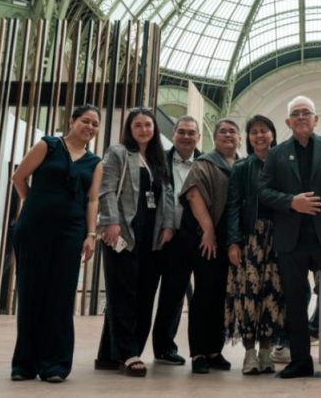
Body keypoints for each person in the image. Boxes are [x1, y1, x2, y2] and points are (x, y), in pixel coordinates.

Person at [259, 95, 321, 379]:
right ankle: (301, 360)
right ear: (288, 122)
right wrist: (292, 201)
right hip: (291, 240)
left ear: (316, 119)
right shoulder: (277, 154)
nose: (301, 117)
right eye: (296, 114)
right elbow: (264, 191)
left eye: (307, 113)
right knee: (294, 301)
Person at [10, 104, 103, 382]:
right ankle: (24, 364)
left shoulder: (95, 162)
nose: (90, 126)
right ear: (72, 121)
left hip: (71, 232)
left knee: (61, 298)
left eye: (95, 124)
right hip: (34, 229)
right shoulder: (47, 145)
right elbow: (18, 177)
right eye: (85, 120)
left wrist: (90, 234)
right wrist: (34, 204)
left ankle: (55, 365)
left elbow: (92, 200)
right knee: (30, 292)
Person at [96, 107, 176, 377]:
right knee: (122, 295)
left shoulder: (157, 158)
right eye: (138, 125)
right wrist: (111, 221)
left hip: (152, 235)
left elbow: (166, 194)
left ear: (154, 129)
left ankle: (114, 354)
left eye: (148, 125)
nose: (144, 129)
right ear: (130, 129)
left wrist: (167, 225)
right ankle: (128, 354)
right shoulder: (118, 152)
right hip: (124, 233)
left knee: (144, 295)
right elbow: (106, 188)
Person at [180, 118, 241, 374]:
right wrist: (208, 231)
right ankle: (198, 353)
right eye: (222, 131)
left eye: (232, 131)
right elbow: (193, 195)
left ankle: (215, 350)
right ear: (214, 138)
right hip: (207, 240)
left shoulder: (242, 165)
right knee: (205, 293)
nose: (228, 135)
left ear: (239, 137)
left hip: (231, 241)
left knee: (222, 296)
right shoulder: (204, 163)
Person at [225, 115, 284, 375]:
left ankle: (266, 351)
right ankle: (249, 353)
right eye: (254, 132)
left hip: (279, 237)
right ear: (248, 138)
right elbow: (234, 207)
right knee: (248, 294)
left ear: (273, 134)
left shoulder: (283, 164)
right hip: (250, 236)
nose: (260, 136)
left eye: (264, 131)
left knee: (274, 293)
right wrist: (234, 242)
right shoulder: (241, 167)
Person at [152, 116, 201, 365]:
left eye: (191, 133)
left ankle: (168, 347)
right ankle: (157, 347)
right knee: (158, 293)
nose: (186, 136)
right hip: (160, 234)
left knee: (176, 295)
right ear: (174, 135)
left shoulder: (205, 163)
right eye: (181, 132)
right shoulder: (158, 160)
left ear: (198, 137)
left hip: (192, 237)